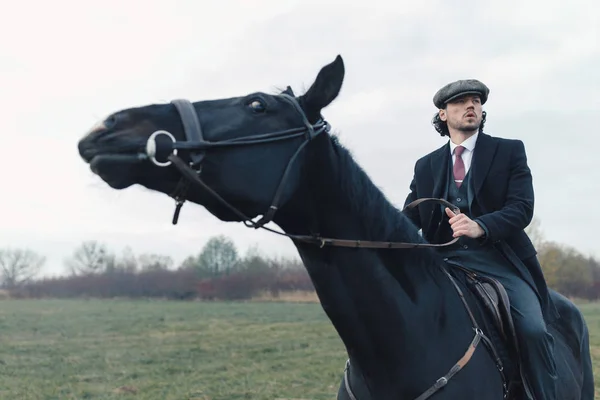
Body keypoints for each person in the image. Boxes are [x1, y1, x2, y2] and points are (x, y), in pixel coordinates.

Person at [403, 79, 559, 399]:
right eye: (460, 102)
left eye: (476, 100)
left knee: (533, 330)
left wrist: (481, 227)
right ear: (443, 114)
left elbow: (521, 208)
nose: (471, 106)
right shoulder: (426, 165)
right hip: (442, 263)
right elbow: (409, 218)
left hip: (498, 261)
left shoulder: (508, 150)